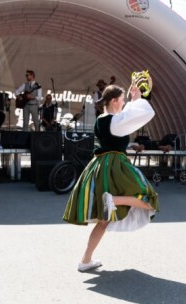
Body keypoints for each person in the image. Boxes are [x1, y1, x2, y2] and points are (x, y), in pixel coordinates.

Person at [62, 84, 158, 272]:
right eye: (122, 100)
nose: (124, 103)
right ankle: (114, 199)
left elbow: (126, 117)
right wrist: (137, 98)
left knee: (103, 221)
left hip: (99, 166)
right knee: (149, 200)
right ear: (114, 101)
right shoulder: (116, 121)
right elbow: (144, 114)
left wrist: (132, 100)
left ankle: (85, 260)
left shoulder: (102, 119)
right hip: (115, 166)